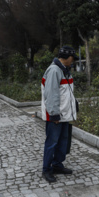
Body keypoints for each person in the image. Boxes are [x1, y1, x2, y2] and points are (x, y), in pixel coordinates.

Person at [41, 46, 79, 183]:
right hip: (56, 115)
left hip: (64, 114)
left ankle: (57, 165)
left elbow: (65, 92)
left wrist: (74, 104)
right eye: (73, 58)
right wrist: (54, 114)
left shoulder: (64, 70)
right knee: (52, 143)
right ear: (67, 58)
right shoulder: (54, 70)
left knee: (62, 142)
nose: (73, 61)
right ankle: (46, 169)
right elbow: (51, 94)